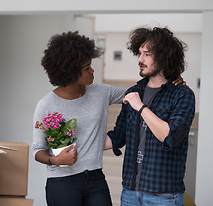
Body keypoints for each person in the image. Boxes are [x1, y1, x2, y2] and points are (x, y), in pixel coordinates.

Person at [32, 31, 127, 206]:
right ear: (70, 72)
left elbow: (136, 95)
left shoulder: (102, 93)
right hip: (62, 183)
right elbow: (37, 150)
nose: (92, 71)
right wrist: (55, 160)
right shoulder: (45, 105)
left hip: (95, 179)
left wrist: (169, 80)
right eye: (86, 68)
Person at [105, 27, 195, 206]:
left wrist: (140, 107)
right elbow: (117, 137)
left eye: (147, 54)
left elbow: (170, 137)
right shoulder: (134, 92)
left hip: (164, 196)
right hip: (130, 193)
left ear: (164, 57)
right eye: (139, 53)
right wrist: (78, 142)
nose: (140, 59)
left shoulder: (182, 94)